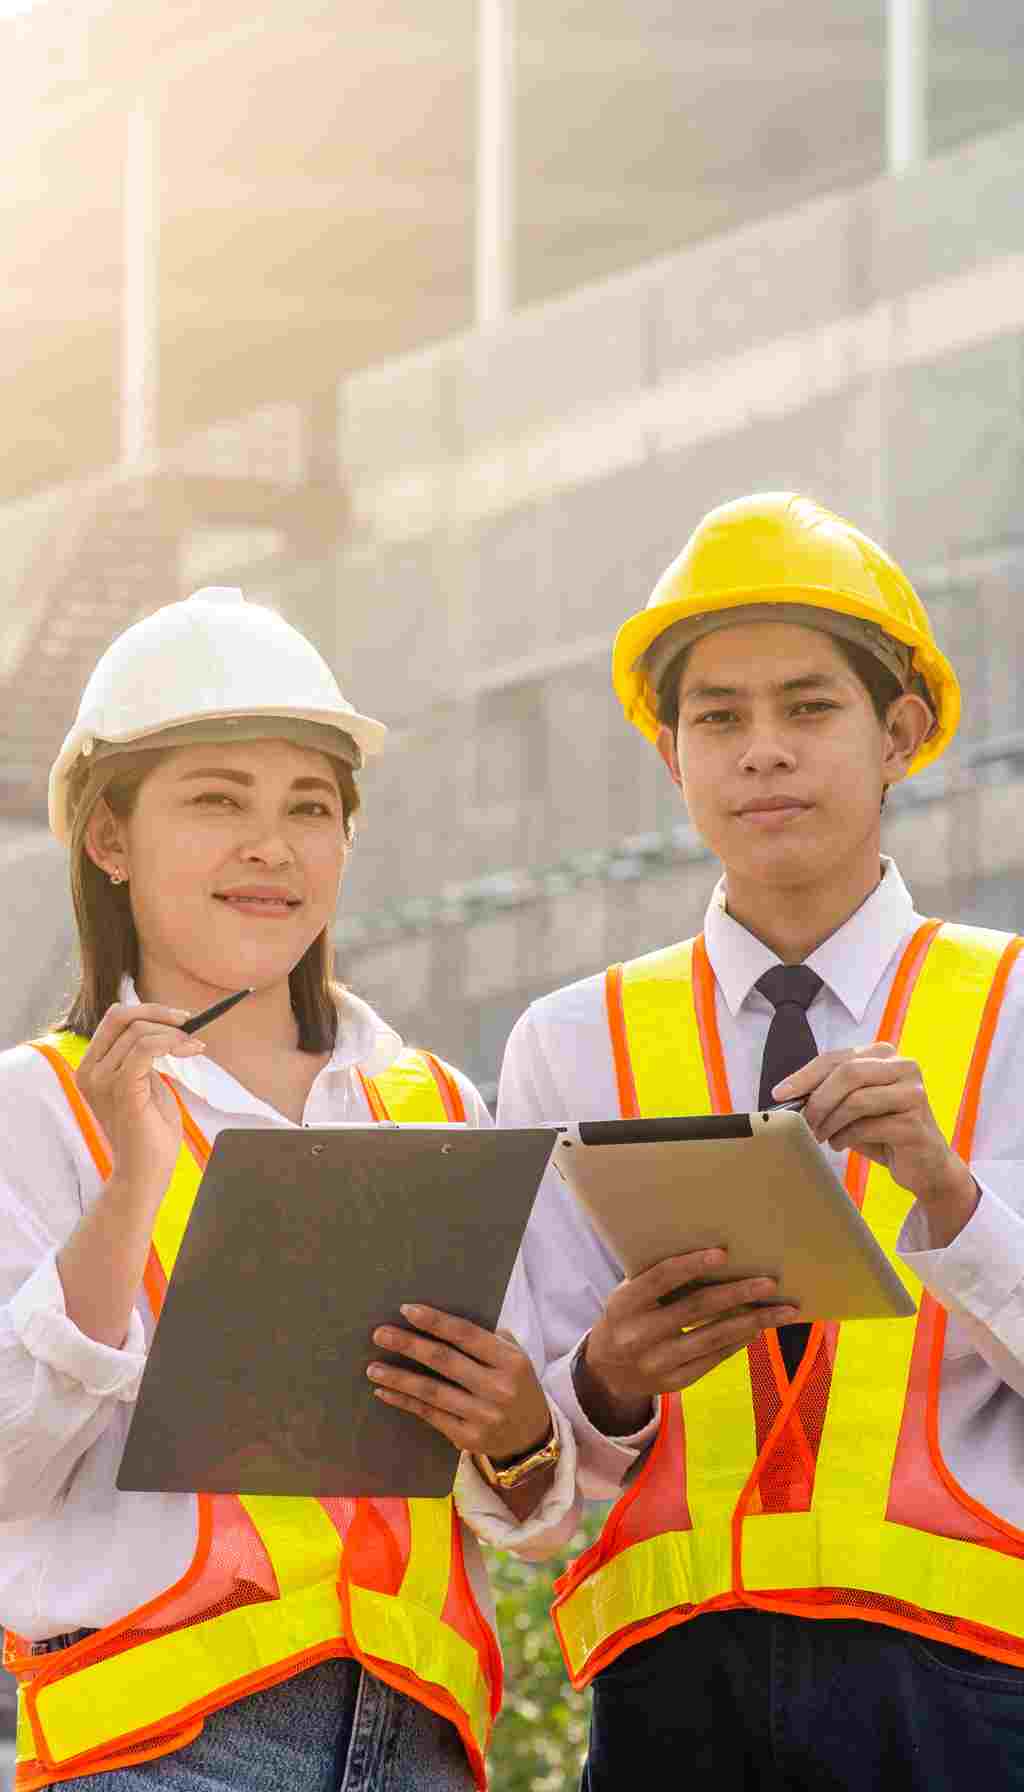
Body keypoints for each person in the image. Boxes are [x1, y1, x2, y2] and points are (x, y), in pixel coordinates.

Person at [0, 587, 572, 1792]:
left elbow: (532, 1518)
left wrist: (518, 1435)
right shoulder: (35, 1108)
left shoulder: (435, 1107)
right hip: (159, 1753)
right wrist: (127, 1198)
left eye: (310, 808)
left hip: (422, 1744)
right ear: (109, 839)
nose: (274, 845)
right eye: (218, 800)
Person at [497, 494, 1024, 1789]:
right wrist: (608, 1377)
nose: (762, 752)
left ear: (900, 733)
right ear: (672, 758)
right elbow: (521, 1493)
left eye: (809, 707)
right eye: (717, 719)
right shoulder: (570, 1046)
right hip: (670, 1697)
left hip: (965, 1695)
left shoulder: (1013, 1011)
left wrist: (951, 1200)